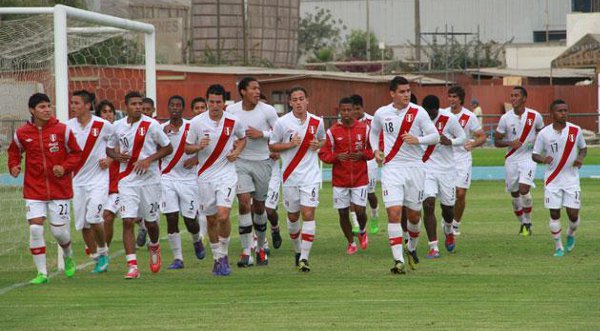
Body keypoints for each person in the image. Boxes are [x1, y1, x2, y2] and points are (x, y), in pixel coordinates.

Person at [7, 93, 82, 284]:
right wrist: (14, 166)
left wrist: (64, 167)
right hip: (34, 189)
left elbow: (76, 154)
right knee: (35, 228)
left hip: (60, 189)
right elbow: (14, 152)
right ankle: (42, 273)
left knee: (58, 232)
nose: (47, 110)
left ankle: (68, 254)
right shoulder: (22, 133)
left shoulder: (62, 130)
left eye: (49, 106)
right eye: (42, 107)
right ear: (32, 110)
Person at [369, 76, 439, 274]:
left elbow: (435, 137)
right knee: (393, 213)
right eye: (402, 91)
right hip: (392, 168)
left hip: (415, 168)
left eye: (408, 91)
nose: (406, 94)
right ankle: (398, 260)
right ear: (392, 93)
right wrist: (376, 150)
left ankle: (411, 248)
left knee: (415, 216)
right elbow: (373, 133)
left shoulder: (419, 113)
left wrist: (419, 140)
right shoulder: (382, 113)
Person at [106, 91, 173, 279]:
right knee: (127, 220)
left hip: (150, 180)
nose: (137, 107)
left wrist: (148, 160)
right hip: (127, 180)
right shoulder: (117, 126)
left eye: (140, 104)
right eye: (134, 104)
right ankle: (132, 266)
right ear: (126, 105)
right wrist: (116, 156)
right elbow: (109, 148)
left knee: (151, 223)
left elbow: (168, 147)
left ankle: (154, 245)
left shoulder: (151, 125)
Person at [185, 84, 246, 276]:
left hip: (226, 174)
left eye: (218, 102)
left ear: (224, 103)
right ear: (206, 101)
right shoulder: (196, 122)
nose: (214, 105)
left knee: (223, 215)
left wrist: (236, 151)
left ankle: (225, 255)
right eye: (211, 102)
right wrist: (198, 147)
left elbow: (243, 139)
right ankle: (217, 258)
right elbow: (187, 148)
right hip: (205, 177)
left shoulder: (233, 121)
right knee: (211, 220)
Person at [269, 86, 325, 272]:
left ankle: (305, 258)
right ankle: (297, 251)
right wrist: (289, 144)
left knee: (308, 214)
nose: (299, 102)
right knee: (293, 217)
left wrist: (318, 144)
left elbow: (323, 140)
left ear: (307, 100)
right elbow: (272, 147)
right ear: (290, 102)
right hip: (290, 177)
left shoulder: (317, 122)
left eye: (302, 98)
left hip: (311, 176)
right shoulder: (282, 123)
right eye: (295, 99)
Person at [227, 77, 279, 267]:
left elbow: (281, 132)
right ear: (243, 91)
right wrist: (232, 144)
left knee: (259, 207)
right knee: (243, 203)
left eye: (259, 88)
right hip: (240, 162)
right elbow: (228, 132)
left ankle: (260, 249)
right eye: (254, 88)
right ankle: (246, 252)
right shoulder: (232, 111)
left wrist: (262, 134)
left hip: (263, 162)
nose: (258, 92)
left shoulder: (268, 111)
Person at [319, 97, 373, 254]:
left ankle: (362, 230)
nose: (347, 113)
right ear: (339, 111)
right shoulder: (332, 132)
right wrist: (336, 157)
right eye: (343, 110)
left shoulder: (364, 129)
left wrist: (363, 154)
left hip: (360, 178)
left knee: (360, 211)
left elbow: (372, 150)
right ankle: (351, 242)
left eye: (349, 110)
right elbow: (323, 154)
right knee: (342, 213)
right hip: (340, 180)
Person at [532, 99, 587, 256]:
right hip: (552, 180)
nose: (564, 113)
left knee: (573, 215)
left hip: (571, 179)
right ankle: (558, 247)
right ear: (552, 114)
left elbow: (583, 149)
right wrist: (543, 159)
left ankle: (571, 233)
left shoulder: (575, 130)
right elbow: (535, 154)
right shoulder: (544, 133)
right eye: (560, 111)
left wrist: (580, 159)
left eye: (565, 110)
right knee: (554, 214)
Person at [67, 90, 112, 273]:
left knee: (94, 217)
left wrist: (110, 160)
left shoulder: (103, 125)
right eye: (72, 103)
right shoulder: (67, 126)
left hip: (98, 180)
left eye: (77, 103)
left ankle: (103, 252)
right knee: (82, 224)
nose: (73, 106)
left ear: (88, 105)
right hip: (77, 181)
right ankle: (96, 257)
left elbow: (117, 145)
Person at [160, 95, 205, 270]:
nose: (175, 108)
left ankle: (196, 239)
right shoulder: (161, 129)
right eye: (172, 105)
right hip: (167, 177)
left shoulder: (192, 127)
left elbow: (207, 147)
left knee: (190, 221)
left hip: (188, 179)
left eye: (179, 105)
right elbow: (155, 149)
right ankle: (178, 258)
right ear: (168, 107)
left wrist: (196, 158)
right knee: (171, 217)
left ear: (183, 108)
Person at [420, 95, 466, 258]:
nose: (430, 115)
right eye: (428, 112)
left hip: (447, 170)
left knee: (447, 209)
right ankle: (433, 246)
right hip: (426, 168)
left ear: (438, 109)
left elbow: (463, 138)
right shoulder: (420, 118)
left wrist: (451, 142)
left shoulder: (449, 119)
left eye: (433, 112)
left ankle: (448, 229)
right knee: (428, 204)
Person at [494, 86, 544, 236]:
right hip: (511, 159)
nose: (513, 98)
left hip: (528, 158)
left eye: (516, 95)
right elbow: (496, 141)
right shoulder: (505, 118)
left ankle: (528, 221)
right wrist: (510, 143)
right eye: (512, 95)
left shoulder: (535, 116)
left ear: (524, 98)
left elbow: (542, 133)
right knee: (515, 194)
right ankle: (522, 222)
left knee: (524, 189)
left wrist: (538, 143)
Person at [447, 86, 487, 235]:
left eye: (455, 97)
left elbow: (482, 136)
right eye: (450, 96)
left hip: (463, 159)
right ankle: (448, 221)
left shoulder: (469, 116)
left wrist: (473, 143)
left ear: (460, 99)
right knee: (448, 195)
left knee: (461, 193)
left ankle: (456, 223)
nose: (452, 99)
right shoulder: (443, 114)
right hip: (446, 159)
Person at [350, 94, 381, 234]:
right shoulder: (346, 121)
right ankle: (356, 224)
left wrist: (378, 152)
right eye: (353, 109)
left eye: (357, 109)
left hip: (370, 162)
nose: (355, 112)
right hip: (353, 163)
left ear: (362, 107)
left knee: (370, 194)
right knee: (352, 193)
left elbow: (380, 139)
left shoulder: (372, 121)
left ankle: (374, 216)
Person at [95, 100, 119, 247]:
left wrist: (111, 158)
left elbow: (121, 148)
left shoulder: (119, 130)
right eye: (104, 111)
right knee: (94, 220)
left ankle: (105, 251)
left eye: (110, 111)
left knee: (108, 217)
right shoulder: (93, 133)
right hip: (96, 183)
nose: (108, 114)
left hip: (117, 183)